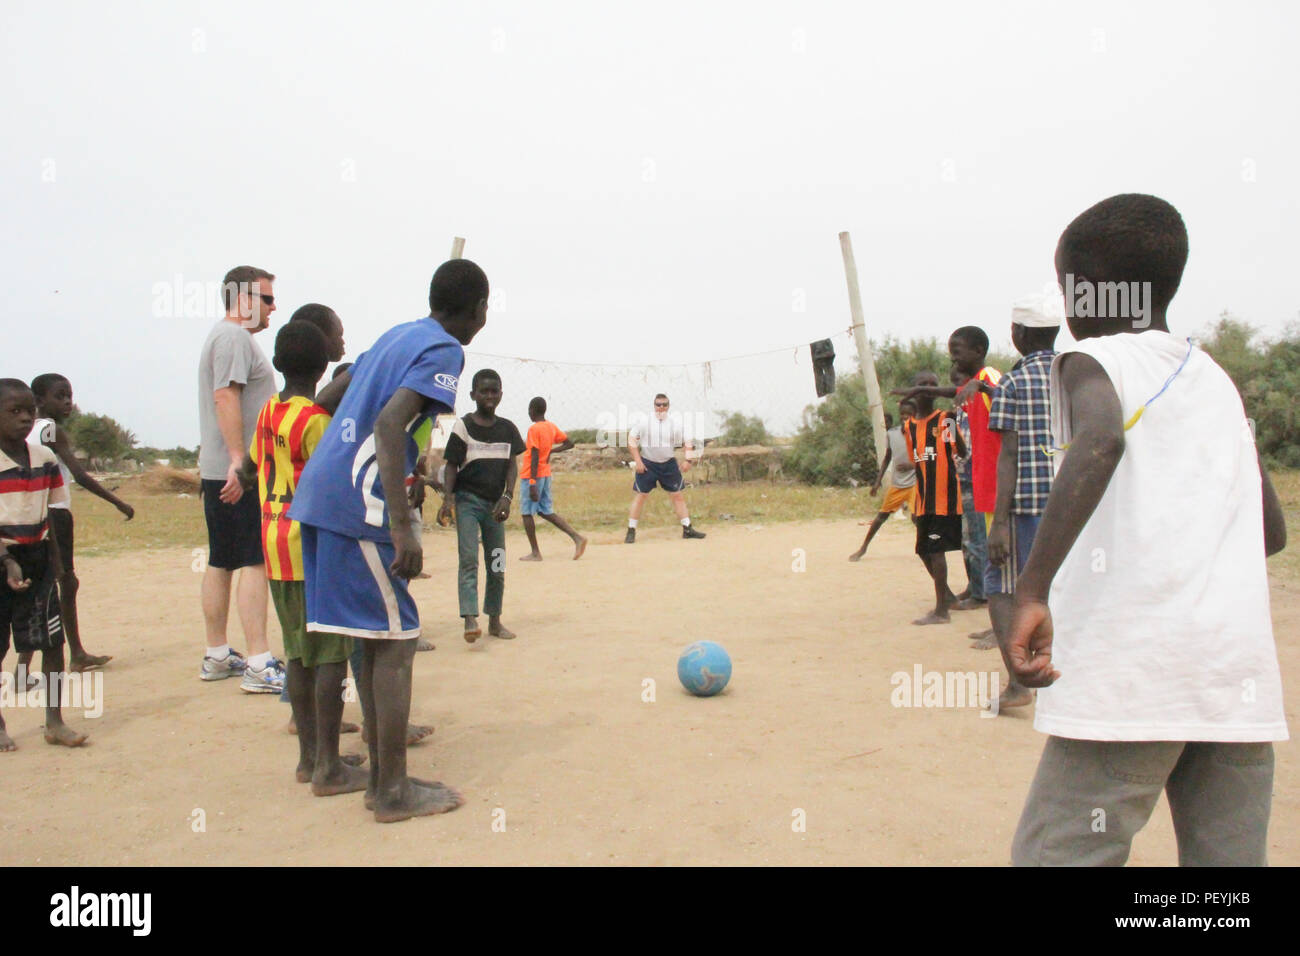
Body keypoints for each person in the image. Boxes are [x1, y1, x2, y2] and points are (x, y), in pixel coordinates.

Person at [1005, 194, 1288, 866]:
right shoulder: (1216, 379)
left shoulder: (1090, 360)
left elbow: (1100, 440)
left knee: (1058, 855)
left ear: (1096, 292)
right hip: (1231, 682)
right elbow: (1269, 529)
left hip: (1136, 680)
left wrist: (1033, 588)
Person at [289, 258, 487, 823]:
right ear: (479, 310)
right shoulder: (446, 349)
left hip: (320, 497)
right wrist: (402, 526)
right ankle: (392, 791)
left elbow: (325, 398)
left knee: (368, 639)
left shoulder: (396, 335)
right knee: (397, 643)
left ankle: (382, 778)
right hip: (359, 507)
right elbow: (388, 424)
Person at [239, 321, 365, 793]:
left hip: (273, 544)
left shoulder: (269, 412)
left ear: (276, 364)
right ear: (325, 366)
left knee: (297, 651)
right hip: (311, 547)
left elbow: (251, 467)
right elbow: (333, 481)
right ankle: (330, 770)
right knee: (331, 653)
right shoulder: (315, 421)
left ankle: (308, 759)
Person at [196, 265, 283, 693]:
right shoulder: (233, 337)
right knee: (254, 560)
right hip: (238, 471)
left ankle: (217, 654)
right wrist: (239, 460)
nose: (272, 307)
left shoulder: (228, 337)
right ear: (243, 299)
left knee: (222, 558)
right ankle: (259, 663)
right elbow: (225, 394)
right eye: (266, 298)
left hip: (221, 470)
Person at [14, 373, 133, 679]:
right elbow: (79, 475)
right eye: (60, 396)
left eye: (69, 395)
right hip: (55, 514)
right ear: (40, 401)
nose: (68, 401)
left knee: (45, 585)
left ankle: (26, 667)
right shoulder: (51, 430)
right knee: (62, 584)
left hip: (30, 515)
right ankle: (73, 654)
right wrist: (118, 502)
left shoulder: (25, 433)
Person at [983, 293, 1062, 710]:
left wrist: (998, 523)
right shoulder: (1077, 375)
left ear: (1017, 335)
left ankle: (1019, 684)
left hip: (1026, 509)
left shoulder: (1012, 383)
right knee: (1062, 587)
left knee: (1001, 588)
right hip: (1073, 505)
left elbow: (1008, 457)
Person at [0, 379, 86, 750]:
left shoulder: (45, 460)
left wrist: (59, 569)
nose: (24, 418)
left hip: (38, 559)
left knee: (52, 643)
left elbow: (52, 516)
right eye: (13, 411)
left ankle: (54, 721)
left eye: (28, 411)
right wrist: (6, 561)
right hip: (2, 559)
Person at [439, 370, 525, 641]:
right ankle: (470, 618)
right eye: (484, 391)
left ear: (501, 393)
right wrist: (447, 499)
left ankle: (495, 620)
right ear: (473, 395)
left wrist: (508, 496)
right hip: (468, 503)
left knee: (497, 562)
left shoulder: (508, 429)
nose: (489, 396)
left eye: (494, 391)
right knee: (468, 559)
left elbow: (512, 465)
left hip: (495, 507)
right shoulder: (463, 427)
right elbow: (451, 465)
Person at [900, 372, 967, 625]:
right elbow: (916, 463)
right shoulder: (909, 427)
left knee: (936, 549)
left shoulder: (944, 418)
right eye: (923, 385)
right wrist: (915, 503)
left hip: (944, 498)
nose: (929, 389)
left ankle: (941, 611)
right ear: (914, 391)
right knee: (923, 550)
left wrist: (952, 432)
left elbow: (961, 451)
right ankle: (947, 596)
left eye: (933, 385)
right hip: (924, 499)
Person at [624, 394, 705, 542]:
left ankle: (687, 529)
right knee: (641, 496)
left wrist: (688, 460)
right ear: (654, 405)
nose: (661, 407)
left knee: (677, 495)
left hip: (668, 464)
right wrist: (638, 461)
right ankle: (631, 530)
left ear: (668, 406)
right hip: (648, 463)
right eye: (658, 404)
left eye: (664, 404)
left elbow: (688, 442)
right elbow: (631, 440)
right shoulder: (644, 422)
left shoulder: (675, 424)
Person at [518, 397, 587, 561]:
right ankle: (577, 538)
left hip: (532, 475)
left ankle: (535, 552)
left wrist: (532, 483)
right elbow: (569, 443)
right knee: (544, 510)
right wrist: (552, 452)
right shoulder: (551, 427)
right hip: (546, 474)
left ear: (532, 411)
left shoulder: (534, 429)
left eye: (529, 410)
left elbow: (534, 456)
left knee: (527, 513)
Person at [848, 406, 917, 561]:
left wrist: (913, 465)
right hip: (898, 484)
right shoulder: (892, 434)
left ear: (915, 416)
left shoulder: (921, 433)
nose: (905, 418)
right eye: (903, 415)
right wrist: (877, 482)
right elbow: (887, 458)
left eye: (909, 415)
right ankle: (863, 548)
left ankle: (929, 545)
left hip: (915, 483)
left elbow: (931, 456)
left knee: (916, 517)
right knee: (881, 516)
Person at [948, 370, 988, 619]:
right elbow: (950, 445)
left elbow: (968, 449)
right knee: (965, 538)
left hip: (974, 478)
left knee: (976, 538)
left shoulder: (976, 403)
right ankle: (973, 585)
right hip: (960, 479)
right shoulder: (956, 413)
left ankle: (980, 593)